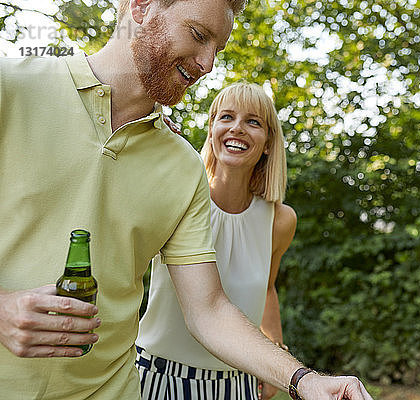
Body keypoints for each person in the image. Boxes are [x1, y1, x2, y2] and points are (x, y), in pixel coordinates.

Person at [0, 0, 373, 399]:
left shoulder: (182, 166)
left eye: (218, 48)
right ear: (141, 7)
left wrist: (306, 381)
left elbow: (208, 309)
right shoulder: (12, 88)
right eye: (198, 35)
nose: (208, 65)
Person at [136, 82, 294, 400]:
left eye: (253, 121)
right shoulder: (176, 196)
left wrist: (275, 356)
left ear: (268, 143)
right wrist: (151, 140)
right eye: (226, 117)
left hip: (239, 384)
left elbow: (267, 288)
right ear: (212, 129)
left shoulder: (280, 220)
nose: (237, 128)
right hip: (157, 378)